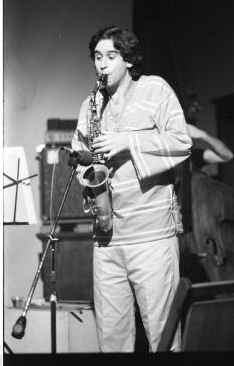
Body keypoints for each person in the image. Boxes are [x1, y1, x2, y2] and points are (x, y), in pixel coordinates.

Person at [71, 25, 192, 352]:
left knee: (162, 339)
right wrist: (85, 168)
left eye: (111, 56)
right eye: (98, 57)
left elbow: (181, 143)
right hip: (107, 239)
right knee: (112, 340)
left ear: (128, 60)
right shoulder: (90, 105)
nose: (102, 65)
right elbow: (82, 159)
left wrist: (127, 141)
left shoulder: (155, 90)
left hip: (151, 237)